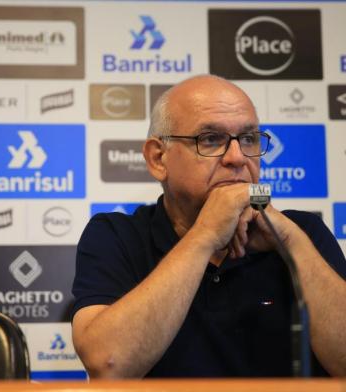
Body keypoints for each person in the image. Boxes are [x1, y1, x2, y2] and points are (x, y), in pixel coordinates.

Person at [71, 75, 346, 379]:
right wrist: (205, 236)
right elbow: (108, 364)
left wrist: (291, 242)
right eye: (211, 140)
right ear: (158, 158)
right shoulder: (116, 235)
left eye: (249, 139)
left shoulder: (302, 231)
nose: (237, 157)